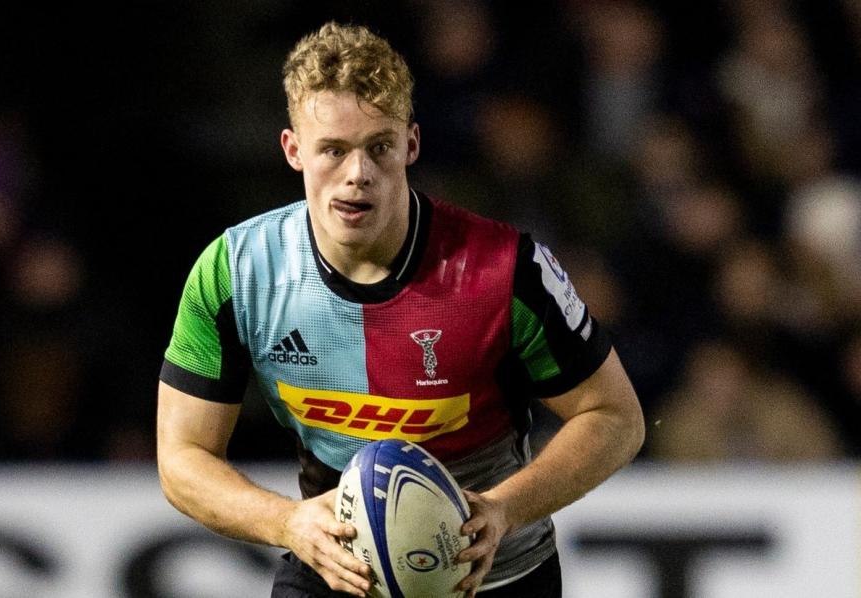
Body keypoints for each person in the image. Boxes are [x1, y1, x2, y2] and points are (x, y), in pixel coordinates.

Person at [157, 21, 644, 598]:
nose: (357, 174)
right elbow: (182, 457)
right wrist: (285, 521)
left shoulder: (506, 270)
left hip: (493, 577)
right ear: (293, 150)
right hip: (336, 572)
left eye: (378, 147)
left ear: (411, 144)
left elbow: (616, 418)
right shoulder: (235, 273)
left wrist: (503, 509)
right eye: (333, 150)